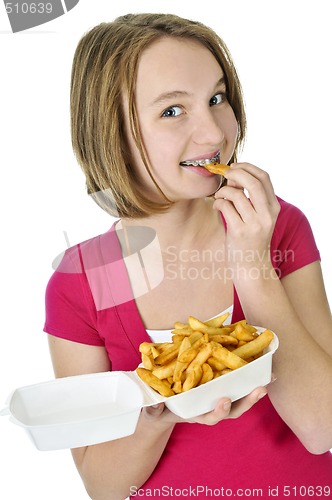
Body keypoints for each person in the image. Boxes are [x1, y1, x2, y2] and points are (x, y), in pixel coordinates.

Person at [44, 13, 332, 500]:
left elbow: (322, 428)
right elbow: (105, 489)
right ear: (109, 130)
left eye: (217, 99)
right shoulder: (90, 280)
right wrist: (163, 411)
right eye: (173, 111)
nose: (214, 133)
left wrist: (253, 267)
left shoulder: (277, 227)